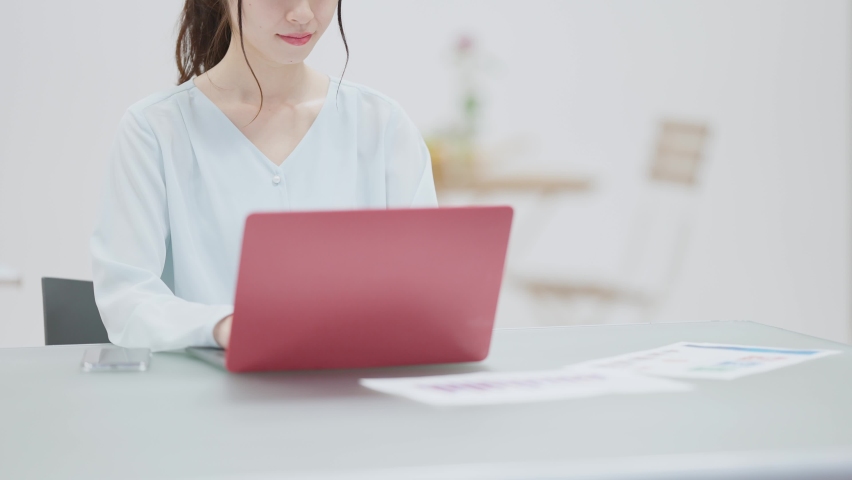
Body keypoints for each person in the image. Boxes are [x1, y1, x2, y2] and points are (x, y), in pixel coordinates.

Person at [90, 0, 437, 352]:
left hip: (354, 380)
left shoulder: (382, 124)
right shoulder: (154, 130)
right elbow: (127, 299)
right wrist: (224, 327)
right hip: (211, 384)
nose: (302, 14)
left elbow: (430, 288)